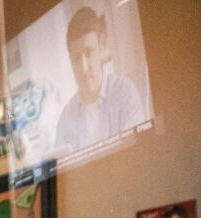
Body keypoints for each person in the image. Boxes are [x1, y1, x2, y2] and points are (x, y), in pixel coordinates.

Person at [54, 7, 145, 152]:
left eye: (88, 52)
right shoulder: (66, 117)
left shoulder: (125, 92)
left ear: (101, 46)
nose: (84, 68)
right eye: (77, 59)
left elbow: (139, 151)